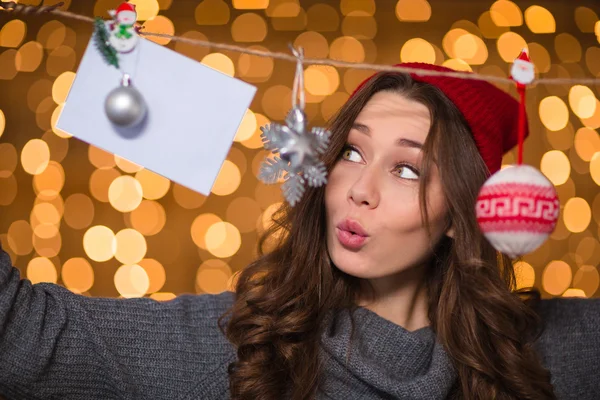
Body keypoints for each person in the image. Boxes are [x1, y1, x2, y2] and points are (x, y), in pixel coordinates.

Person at [0, 63, 598, 400]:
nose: (360, 189)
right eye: (353, 153)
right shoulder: (238, 351)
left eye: (408, 168)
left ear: (458, 216)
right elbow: (22, 336)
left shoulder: (543, 357)